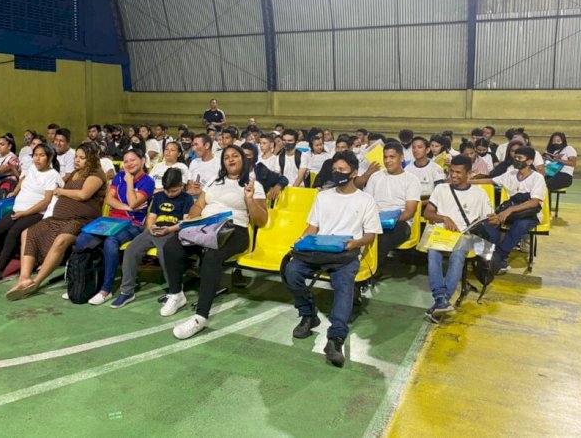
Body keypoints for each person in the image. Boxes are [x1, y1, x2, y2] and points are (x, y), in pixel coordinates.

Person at [283, 150, 382, 368]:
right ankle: (308, 315)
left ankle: (336, 338)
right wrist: (300, 241)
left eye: (342, 170)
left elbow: (370, 235)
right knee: (292, 271)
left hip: (345, 254)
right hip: (318, 251)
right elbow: (313, 227)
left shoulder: (366, 201)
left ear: (354, 173)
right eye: (335, 170)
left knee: (343, 285)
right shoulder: (323, 196)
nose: (337, 174)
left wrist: (354, 243)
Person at [162, 146, 267, 339]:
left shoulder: (253, 185)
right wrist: (192, 220)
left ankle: (200, 316)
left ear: (243, 160)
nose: (231, 159)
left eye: (235, 156)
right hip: (206, 226)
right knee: (171, 245)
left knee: (212, 254)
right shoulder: (214, 181)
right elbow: (199, 205)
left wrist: (250, 200)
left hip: (235, 230)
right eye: (226, 157)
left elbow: (261, 220)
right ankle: (177, 294)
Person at [5, 143, 106, 300]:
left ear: (91, 159)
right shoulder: (75, 173)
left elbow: (83, 195)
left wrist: (60, 191)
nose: (77, 160)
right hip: (59, 218)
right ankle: (24, 277)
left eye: (82, 158)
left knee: (61, 240)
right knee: (29, 232)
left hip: (81, 221)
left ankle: (36, 282)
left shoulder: (96, 174)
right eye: (76, 157)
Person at [72, 148, 154, 305]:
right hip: (112, 220)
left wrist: (130, 183)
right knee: (83, 239)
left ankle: (106, 289)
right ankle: (83, 283)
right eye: (126, 161)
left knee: (111, 241)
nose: (129, 164)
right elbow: (109, 199)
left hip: (134, 223)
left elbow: (134, 202)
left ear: (142, 161)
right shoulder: (119, 177)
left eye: (133, 160)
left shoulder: (147, 181)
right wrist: (127, 208)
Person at [0, 143, 63, 288]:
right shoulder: (31, 169)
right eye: (35, 155)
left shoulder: (52, 175)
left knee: (14, 232)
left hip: (37, 213)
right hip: (18, 210)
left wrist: (25, 213)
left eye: (42, 155)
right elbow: (22, 182)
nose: (37, 159)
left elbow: (46, 201)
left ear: (49, 158)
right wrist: (14, 194)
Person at [422, 155, 493, 320]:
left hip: (467, 236)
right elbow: (428, 212)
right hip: (443, 234)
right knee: (433, 252)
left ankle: (441, 300)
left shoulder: (480, 194)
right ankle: (442, 299)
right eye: (451, 171)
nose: (453, 175)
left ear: (469, 174)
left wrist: (495, 220)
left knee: (458, 254)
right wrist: (444, 218)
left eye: (458, 172)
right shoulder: (441, 189)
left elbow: (489, 219)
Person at [111, 168, 192, 308]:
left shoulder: (187, 198)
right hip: (154, 230)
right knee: (131, 251)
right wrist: (151, 227)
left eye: (173, 191)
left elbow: (185, 222)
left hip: (172, 232)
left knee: (164, 253)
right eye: (167, 190)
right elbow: (152, 216)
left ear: (181, 186)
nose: (169, 194)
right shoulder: (159, 196)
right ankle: (127, 291)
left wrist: (169, 229)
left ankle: (175, 291)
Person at [474, 146, 546, 272]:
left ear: (529, 162)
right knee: (489, 222)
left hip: (529, 215)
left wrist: (511, 209)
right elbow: (491, 181)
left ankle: (498, 257)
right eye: (515, 157)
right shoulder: (511, 174)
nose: (516, 160)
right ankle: (495, 258)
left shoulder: (537, 178)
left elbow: (534, 202)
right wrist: (467, 181)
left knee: (520, 226)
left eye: (520, 158)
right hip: (511, 212)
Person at [362, 142, 420, 266]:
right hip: (374, 220)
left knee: (383, 238)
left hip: (400, 223)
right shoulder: (375, 177)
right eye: (385, 157)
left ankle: (368, 271)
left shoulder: (411, 180)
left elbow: (409, 211)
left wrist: (388, 220)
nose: (387, 161)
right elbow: (366, 203)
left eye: (392, 157)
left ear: (402, 158)